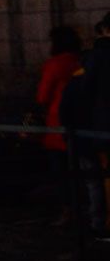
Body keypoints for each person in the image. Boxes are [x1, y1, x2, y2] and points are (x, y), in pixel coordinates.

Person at [62, 15, 110, 235]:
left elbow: (83, 95)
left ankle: (102, 223)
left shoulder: (97, 57)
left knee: (99, 178)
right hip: (98, 127)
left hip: (99, 128)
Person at [37, 26, 82, 225]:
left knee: (61, 171)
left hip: (57, 124)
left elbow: (43, 96)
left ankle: (68, 210)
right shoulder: (79, 61)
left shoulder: (54, 64)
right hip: (80, 120)